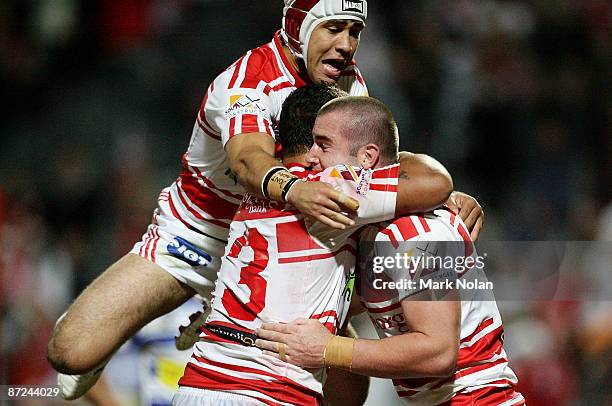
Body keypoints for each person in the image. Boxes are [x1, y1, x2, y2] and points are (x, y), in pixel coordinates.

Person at [46, 0, 458, 400]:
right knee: (69, 353)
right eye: (334, 28)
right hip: (199, 232)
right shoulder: (248, 80)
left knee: (347, 393)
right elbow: (249, 159)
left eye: (355, 32)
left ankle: (227, 312)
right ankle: (125, 328)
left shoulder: (348, 83)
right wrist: (296, 189)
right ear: (299, 27)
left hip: (286, 244)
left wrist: (447, 200)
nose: (346, 44)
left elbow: (378, 158)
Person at [173, 87, 455, 405]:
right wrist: (452, 201)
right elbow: (435, 183)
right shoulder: (331, 188)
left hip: (198, 384)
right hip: (269, 390)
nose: (314, 156)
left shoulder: (252, 194)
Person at [255, 106, 524, 404]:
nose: (311, 157)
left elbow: (437, 351)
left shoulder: (414, 235)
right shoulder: (372, 231)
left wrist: (328, 348)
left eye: (324, 144)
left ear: (366, 158)